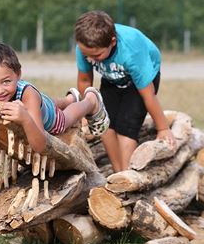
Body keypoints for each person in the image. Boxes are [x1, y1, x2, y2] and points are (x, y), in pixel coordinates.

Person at [0, 41, 109, 153]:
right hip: (40, 103)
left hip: (47, 118)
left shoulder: (28, 95)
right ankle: (69, 99)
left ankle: (89, 101)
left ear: (18, 74)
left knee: (65, 118)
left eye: (6, 81)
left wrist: (25, 119)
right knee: (49, 102)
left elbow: (40, 146)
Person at [74, 10, 175, 172]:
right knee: (103, 124)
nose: (90, 60)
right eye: (87, 55)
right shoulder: (85, 48)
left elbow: (148, 95)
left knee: (126, 127)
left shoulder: (131, 51)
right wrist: (85, 113)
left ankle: (128, 174)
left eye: (97, 55)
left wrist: (162, 128)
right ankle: (118, 173)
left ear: (112, 42)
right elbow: (85, 81)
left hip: (141, 82)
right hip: (112, 78)